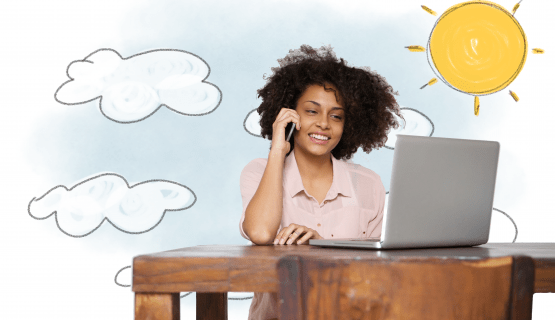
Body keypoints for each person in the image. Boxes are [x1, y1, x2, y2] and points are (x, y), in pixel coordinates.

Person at [239, 45, 402, 319]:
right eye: (312, 111)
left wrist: (321, 248)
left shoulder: (368, 184)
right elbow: (260, 233)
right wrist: (278, 149)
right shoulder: (258, 172)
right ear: (290, 115)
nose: (324, 124)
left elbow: (377, 276)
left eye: (336, 116)